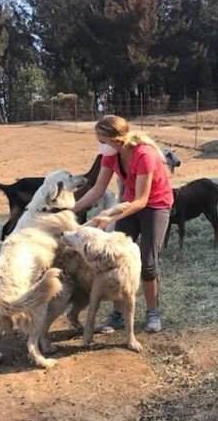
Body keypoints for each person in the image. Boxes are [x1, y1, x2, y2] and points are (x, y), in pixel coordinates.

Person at [72, 115, 173, 333]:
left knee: (148, 262)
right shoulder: (110, 156)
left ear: (116, 139)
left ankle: (152, 312)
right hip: (129, 202)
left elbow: (142, 200)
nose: (99, 144)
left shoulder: (144, 155)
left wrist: (111, 217)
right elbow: (97, 189)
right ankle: (117, 315)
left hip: (155, 205)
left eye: (101, 140)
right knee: (116, 258)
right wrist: (71, 210)